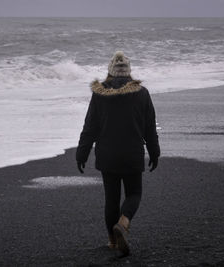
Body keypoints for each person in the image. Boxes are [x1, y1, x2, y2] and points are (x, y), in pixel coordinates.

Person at [76, 51, 160, 256]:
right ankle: (123, 222)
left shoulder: (99, 95)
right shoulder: (142, 93)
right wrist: (154, 152)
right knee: (134, 193)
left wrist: (82, 153)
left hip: (107, 155)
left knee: (111, 199)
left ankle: (113, 242)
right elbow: (149, 127)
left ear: (110, 72)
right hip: (132, 153)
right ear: (129, 72)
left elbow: (90, 126)